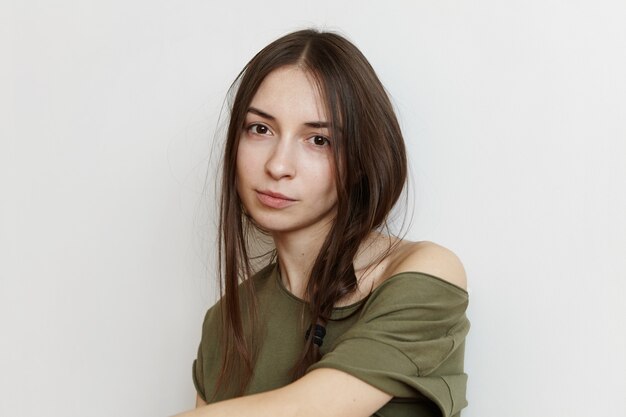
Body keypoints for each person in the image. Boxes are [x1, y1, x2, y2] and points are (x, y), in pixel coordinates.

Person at [174, 29, 470, 417]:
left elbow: (308, 409)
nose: (278, 166)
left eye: (318, 140)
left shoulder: (422, 275)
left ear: (363, 158)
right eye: (260, 129)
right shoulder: (226, 321)